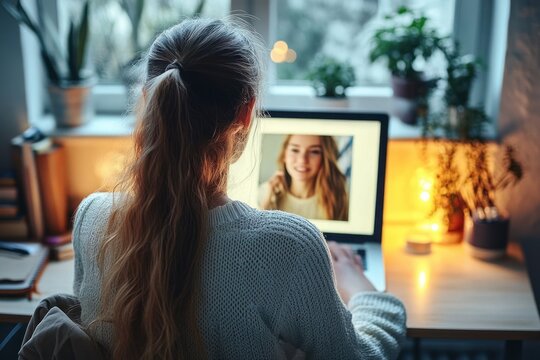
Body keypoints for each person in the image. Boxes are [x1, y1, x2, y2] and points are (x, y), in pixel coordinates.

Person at [72, 18, 406, 360]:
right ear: (246, 113)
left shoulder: (91, 218)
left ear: (147, 101)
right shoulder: (288, 246)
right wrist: (368, 294)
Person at [259, 134, 349, 220]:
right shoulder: (263, 194)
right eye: (295, 150)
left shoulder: (342, 199)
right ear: (284, 155)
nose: (302, 159)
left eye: (314, 151)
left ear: (325, 158)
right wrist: (267, 201)